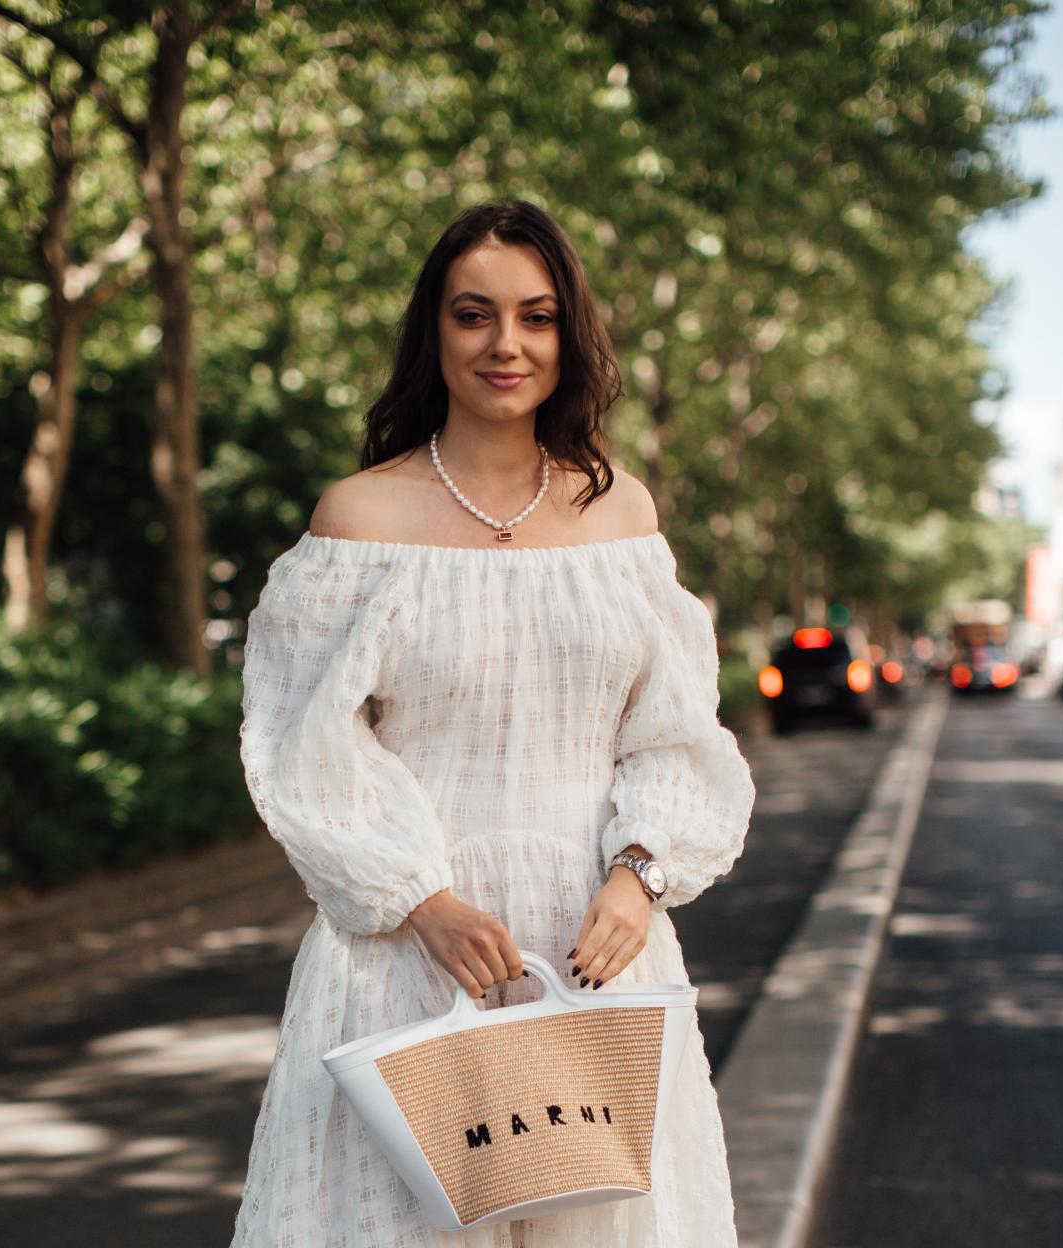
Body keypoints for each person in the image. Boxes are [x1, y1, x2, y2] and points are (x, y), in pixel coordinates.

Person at [228, 200, 756, 1248]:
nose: (505, 344)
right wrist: (421, 900)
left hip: (595, 945)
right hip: (408, 954)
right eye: (474, 315)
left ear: (570, 336)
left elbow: (672, 733)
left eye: (537, 315)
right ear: (436, 331)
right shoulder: (358, 520)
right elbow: (304, 748)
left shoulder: (623, 519)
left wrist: (637, 872)